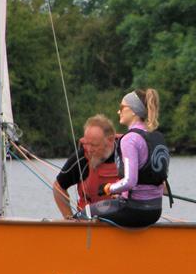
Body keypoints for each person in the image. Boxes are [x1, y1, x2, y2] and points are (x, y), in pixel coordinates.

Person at [87, 88, 170, 227]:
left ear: (133, 110)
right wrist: (121, 193)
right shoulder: (156, 136)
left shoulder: (130, 139)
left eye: (121, 107)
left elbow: (130, 181)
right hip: (155, 211)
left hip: (135, 210)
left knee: (86, 213)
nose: (118, 111)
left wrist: (109, 188)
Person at [52, 115, 119, 219]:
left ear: (110, 140)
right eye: (87, 143)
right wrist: (69, 219)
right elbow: (58, 188)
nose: (89, 149)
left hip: (121, 221)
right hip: (88, 222)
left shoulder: (128, 152)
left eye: (94, 145)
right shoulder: (82, 157)